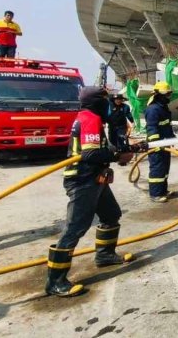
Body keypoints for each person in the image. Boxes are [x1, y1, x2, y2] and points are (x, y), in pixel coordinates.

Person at [45, 86, 134, 297]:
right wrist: (116, 157)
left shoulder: (89, 117)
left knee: (111, 215)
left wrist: (120, 152)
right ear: (98, 102)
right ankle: (55, 281)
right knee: (75, 228)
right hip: (83, 180)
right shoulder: (90, 118)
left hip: (95, 178)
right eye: (106, 101)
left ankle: (105, 255)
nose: (110, 106)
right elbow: (90, 154)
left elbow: (97, 147)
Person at [145, 81, 175, 203]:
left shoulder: (163, 107)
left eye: (169, 94)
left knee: (164, 169)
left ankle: (163, 191)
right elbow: (152, 128)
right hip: (157, 145)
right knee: (157, 169)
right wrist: (156, 144)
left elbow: (167, 125)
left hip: (165, 143)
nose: (168, 96)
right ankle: (155, 194)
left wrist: (171, 137)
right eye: (166, 94)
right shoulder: (153, 109)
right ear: (159, 95)